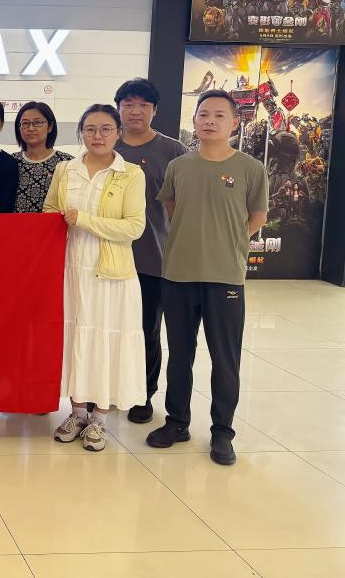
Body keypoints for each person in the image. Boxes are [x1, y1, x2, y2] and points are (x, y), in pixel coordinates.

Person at [147, 90, 268, 466]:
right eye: (203, 114)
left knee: (225, 359)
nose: (210, 121)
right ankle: (177, 422)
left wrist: (229, 242)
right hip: (178, 275)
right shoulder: (179, 166)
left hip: (225, 277)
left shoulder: (250, 168)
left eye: (219, 115)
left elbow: (258, 216)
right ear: (194, 120)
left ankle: (222, 432)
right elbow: (172, 207)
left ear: (235, 123)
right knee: (179, 355)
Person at [45, 104, 146, 451]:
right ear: (81, 132)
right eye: (90, 129)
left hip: (111, 274)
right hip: (71, 270)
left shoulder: (130, 174)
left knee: (104, 340)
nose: (97, 136)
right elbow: (49, 212)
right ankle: (76, 413)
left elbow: (134, 227)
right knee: (76, 338)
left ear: (118, 132)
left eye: (105, 129)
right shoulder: (65, 170)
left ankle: (99, 419)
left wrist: (84, 220)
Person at [113, 78, 186, 423]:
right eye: (128, 104)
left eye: (143, 105)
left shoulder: (173, 152)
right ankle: (107, 390)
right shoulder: (106, 147)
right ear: (118, 109)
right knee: (108, 326)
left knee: (146, 330)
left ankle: (143, 394)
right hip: (108, 255)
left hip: (152, 258)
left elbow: (183, 207)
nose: (135, 111)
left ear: (154, 110)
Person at [13, 101, 74, 213]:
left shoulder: (67, 163)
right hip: (14, 224)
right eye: (25, 123)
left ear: (50, 127)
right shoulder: (10, 162)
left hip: (53, 224)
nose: (31, 128)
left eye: (37, 123)